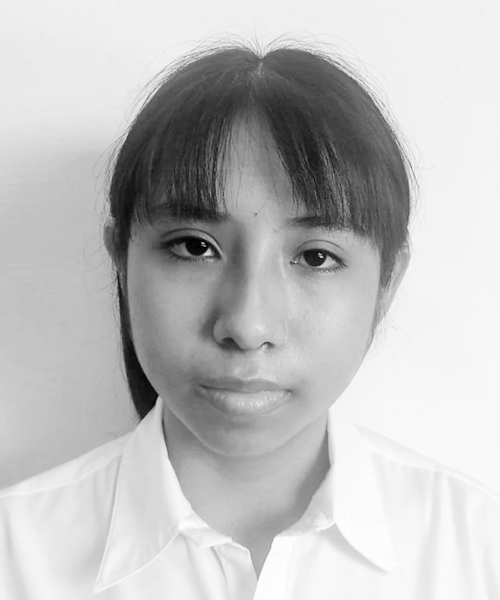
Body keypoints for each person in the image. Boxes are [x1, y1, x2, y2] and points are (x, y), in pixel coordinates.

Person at [1, 41, 499, 599]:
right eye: (194, 247)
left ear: (386, 284)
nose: (247, 325)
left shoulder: (477, 552)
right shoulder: (15, 557)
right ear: (122, 259)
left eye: (316, 257)